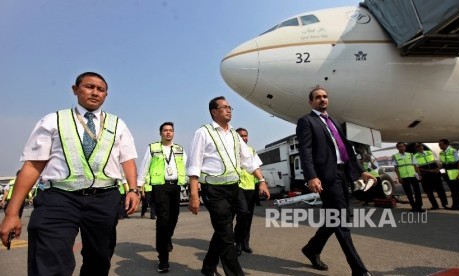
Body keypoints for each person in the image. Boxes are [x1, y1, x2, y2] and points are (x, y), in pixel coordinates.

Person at [0, 72, 140, 276]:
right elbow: (32, 166)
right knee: (49, 260)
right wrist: (12, 213)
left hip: (103, 199)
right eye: (89, 87)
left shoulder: (118, 125)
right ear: (75, 90)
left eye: (100, 89)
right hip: (59, 198)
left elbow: (127, 160)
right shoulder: (53, 121)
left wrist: (133, 190)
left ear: (106, 95)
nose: (95, 92)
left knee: (99, 260)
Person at [296, 87, 375, 276]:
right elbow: (305, 151)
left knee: (336, 218)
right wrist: (311, 176)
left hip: (342, 175)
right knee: (340, 221)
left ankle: (312, 249)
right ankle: (358, 270)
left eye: (324, 97)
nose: (322, 100)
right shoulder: (306, 121)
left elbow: (346, 149)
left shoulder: (334, 122)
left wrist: (361, 172)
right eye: (317, 97)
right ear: (310, 102)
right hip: (326, 178)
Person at [187, 96, 270, 276]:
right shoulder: (203, 132)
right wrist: (194, 194)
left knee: (225, 229)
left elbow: (248, 160)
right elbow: (194, 165)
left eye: (230, 107)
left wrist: (261, 181)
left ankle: (208, 267)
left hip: (234, 189)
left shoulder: (234, 135)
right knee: (226, 234)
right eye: (224, 107)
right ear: (214, 112)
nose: (228, 110)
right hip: (213, 191)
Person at [137, 122, 186, 273]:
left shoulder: (179, 149)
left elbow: (187, 165)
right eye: (165, 130)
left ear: (174, 133)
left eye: (171, 130)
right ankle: (163, 258)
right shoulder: (153, 148)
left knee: (174, 217)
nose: (168, 133)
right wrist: (140, 185)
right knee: (163, 219)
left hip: (175, 186)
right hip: (159, 187)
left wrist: (194, 182)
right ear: (160, 133)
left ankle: (167, 238)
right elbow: (144, 166)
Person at [233, 127, 262, 256]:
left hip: (251, 187)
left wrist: (261, 183)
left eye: (246, 135)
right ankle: (237, 242)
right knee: (241, 215)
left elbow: (257, 168)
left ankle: (245, 243)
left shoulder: (251, 150)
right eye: (241, 136)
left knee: (248, 217)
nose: (244, 138)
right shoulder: (232, 151)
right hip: (238, 187)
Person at [413, 143, 449, 210]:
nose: (419, 148)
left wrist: (438, 169)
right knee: (428, 191)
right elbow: (417, 167)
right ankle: (435, 205)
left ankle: (445, 204)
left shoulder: (430, 152)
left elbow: (438, 161)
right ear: (416, 149)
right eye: (417, 147)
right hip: (425, 174)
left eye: (420, 146)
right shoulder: (415, 156)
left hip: (435, 173)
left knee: (440, 189)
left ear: (422, 147)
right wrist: (428, 171)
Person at [392, 142, 424, 212]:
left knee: (417, 192)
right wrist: (399, 178)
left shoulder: (411, 155)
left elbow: (415, 165)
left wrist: (419, 175)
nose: (401, 148)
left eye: (402, 146)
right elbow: (396, 168)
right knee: (408, 193)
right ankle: (413, 206)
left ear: (405, 147)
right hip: (404, 177)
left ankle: (419, 207)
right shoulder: (395, 156)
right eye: (399, 147)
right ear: (397, 148)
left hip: (413, 176)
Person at [437, 139, 459, 210]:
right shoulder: (441, 153)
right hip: (449, 176)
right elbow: (443, 165)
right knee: (454, 192)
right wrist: (443, 173)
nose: (439, 146)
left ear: (446, 144)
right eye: (439, 144)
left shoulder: (453, 151)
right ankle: (456, 206)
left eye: (441, 144)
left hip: (457, 175)